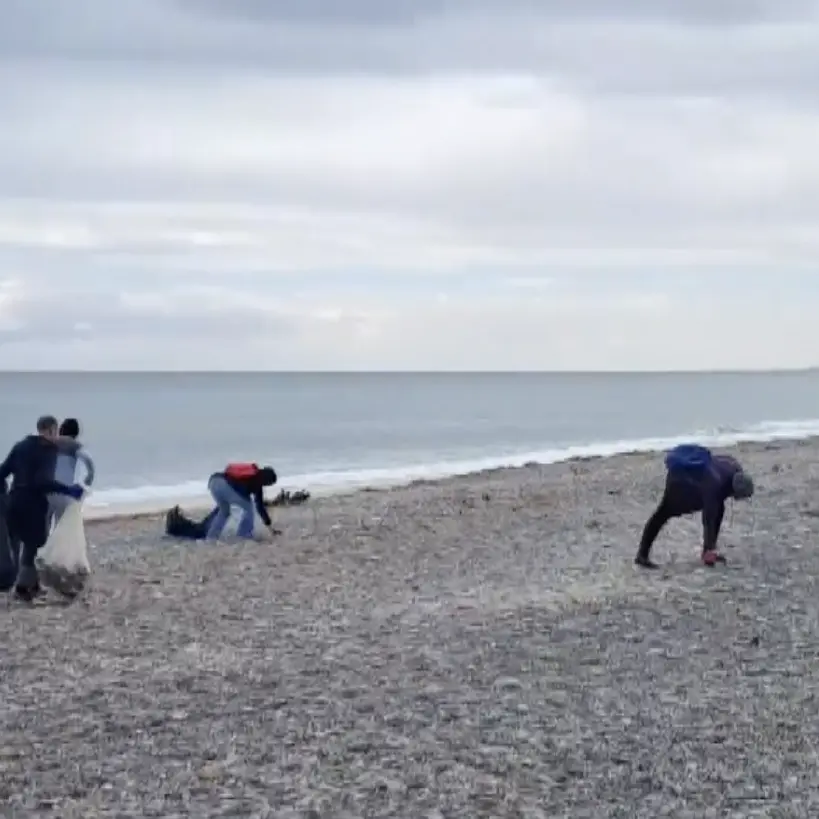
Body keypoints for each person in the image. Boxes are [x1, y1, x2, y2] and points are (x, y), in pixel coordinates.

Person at [0, 415, 85, 600]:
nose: (57, 436)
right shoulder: (48, 451)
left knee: (15, 545)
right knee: (33, 547)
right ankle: (24, 588)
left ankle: (25, 584)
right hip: (33, 504)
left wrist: (3, 494)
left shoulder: (20, 446)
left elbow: (2, 472)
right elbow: (43, 482)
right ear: (49, 430)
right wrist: (69, 489)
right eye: (55, 432)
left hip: (13, 502)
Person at [635, 444, 754, 570]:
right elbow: (708, 518)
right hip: (681, 480)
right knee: (664, 513)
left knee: (717, 508)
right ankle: (642, 556)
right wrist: (709, 552)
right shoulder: (715, 484)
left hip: (681, 472)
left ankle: (642, 555)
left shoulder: (733, 466)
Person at [205, 462, 278, 540]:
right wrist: (270, 526)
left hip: (214, 482)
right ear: (267, 480)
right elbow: (260, 507)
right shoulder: (257, 480)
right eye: (269, 483)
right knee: (249, 508)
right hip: (226, 485)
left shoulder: (251, 471)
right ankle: (244, 535)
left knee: (224, 512)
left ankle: (211, 537)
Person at [48, 417, 95, 532]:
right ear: (77, 432)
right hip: (64, 490)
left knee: (45, 523)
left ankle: (43, 547)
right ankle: (55, 547)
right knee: (60, 524)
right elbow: (88, 461)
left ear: (61, 429)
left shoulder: (50, 442)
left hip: (47, 488)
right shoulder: (75, 445)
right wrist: (88, 480)